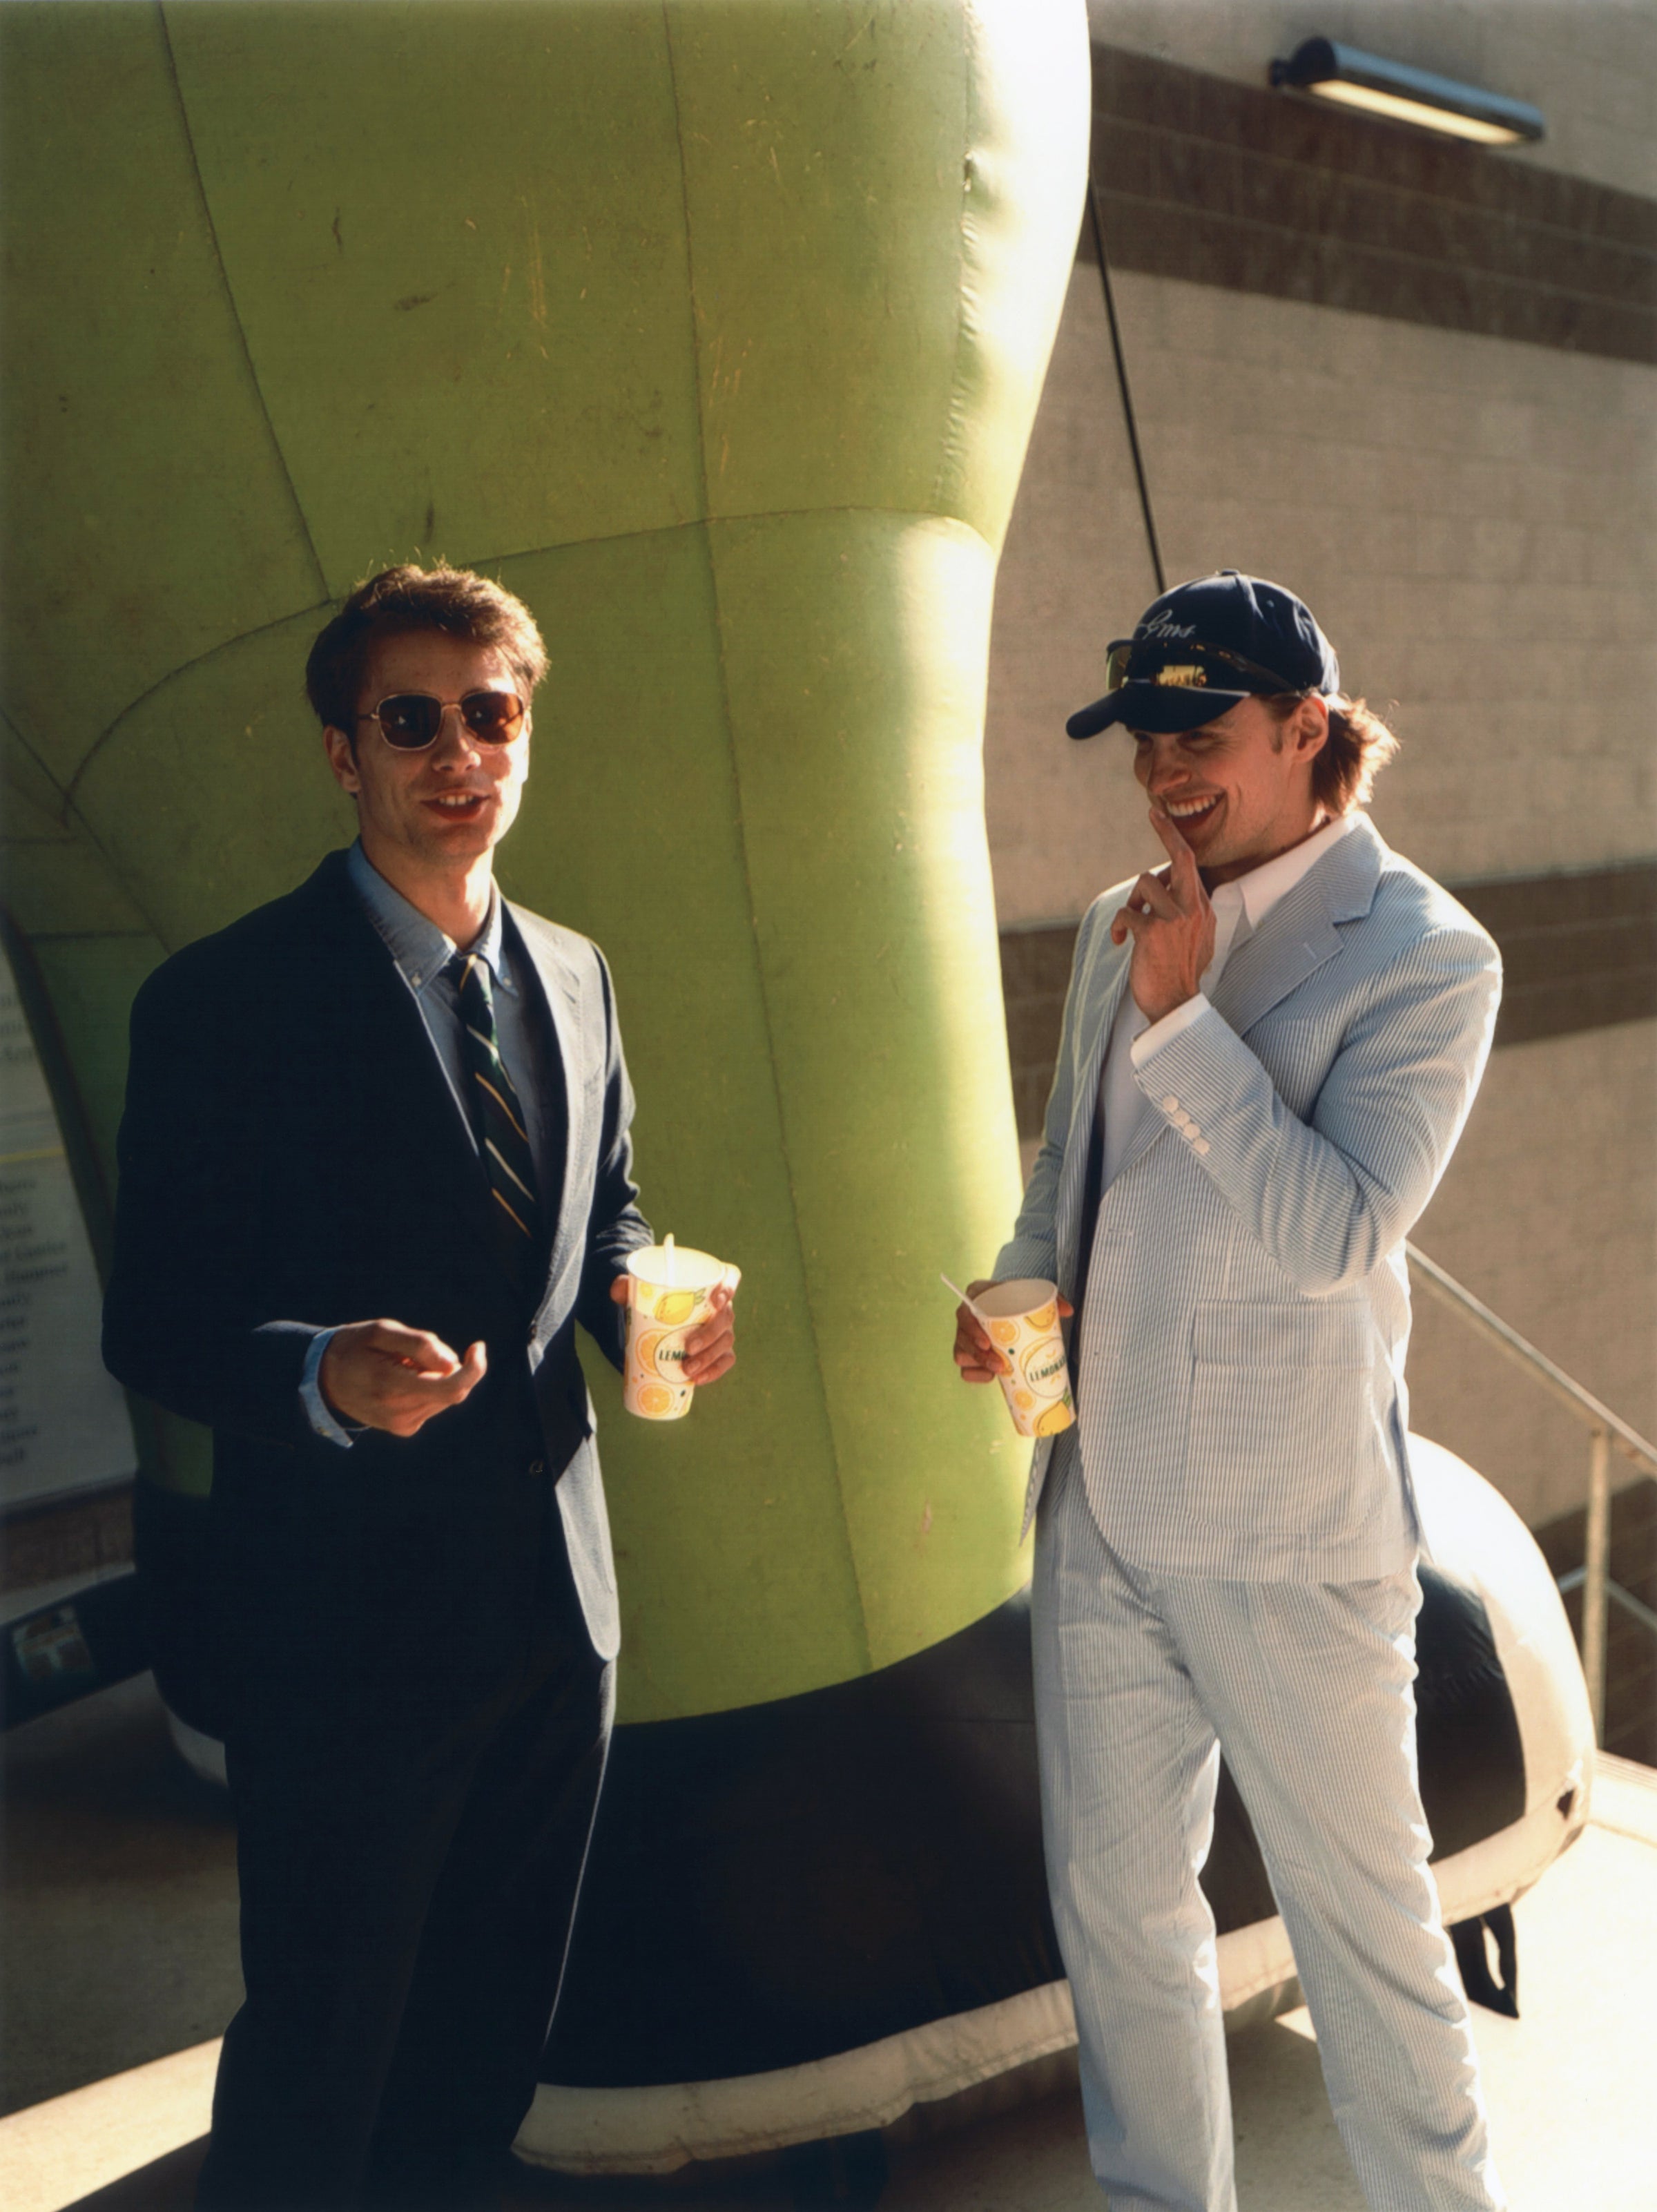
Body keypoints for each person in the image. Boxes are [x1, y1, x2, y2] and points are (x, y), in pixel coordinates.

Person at [104, 563, 737, 2211]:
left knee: (482, 2058)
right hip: (345, 1636)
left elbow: (602, 1211)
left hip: (554, 1618)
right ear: (344, 753)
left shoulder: (578, 974)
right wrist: (321, 1372)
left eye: (490, 715)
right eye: (413, 721)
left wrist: (639, 1303)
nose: (460, 753)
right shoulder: (224, 1002)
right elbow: (154, 1322)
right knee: (321, 2067)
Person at [953, 571, 1505, 2212]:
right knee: (1123, 1929)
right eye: (1142, 740)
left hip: (1289, 1539)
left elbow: (1337, 1232)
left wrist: (1186, 1021)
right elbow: (1068, 1171)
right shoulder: (1117, 923)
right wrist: (1017, 1288)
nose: (1161, 772)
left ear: (1305, 727)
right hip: (1097, 1517)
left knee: (1370, 1943)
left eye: (1196, 735)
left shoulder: (1429, 955)